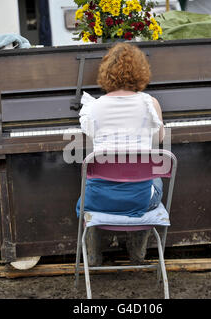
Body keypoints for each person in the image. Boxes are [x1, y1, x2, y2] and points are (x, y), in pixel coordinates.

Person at [76, 42, 165, 266]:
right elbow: (159, 141)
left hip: (98, 200)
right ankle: (137, 253)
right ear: (141, 71)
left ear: (106, 73)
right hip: (141, 200)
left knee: (92, 181)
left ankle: (94, 256)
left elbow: (90, 144)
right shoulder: (150, 104)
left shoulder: (92, 107)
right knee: (152, 177)